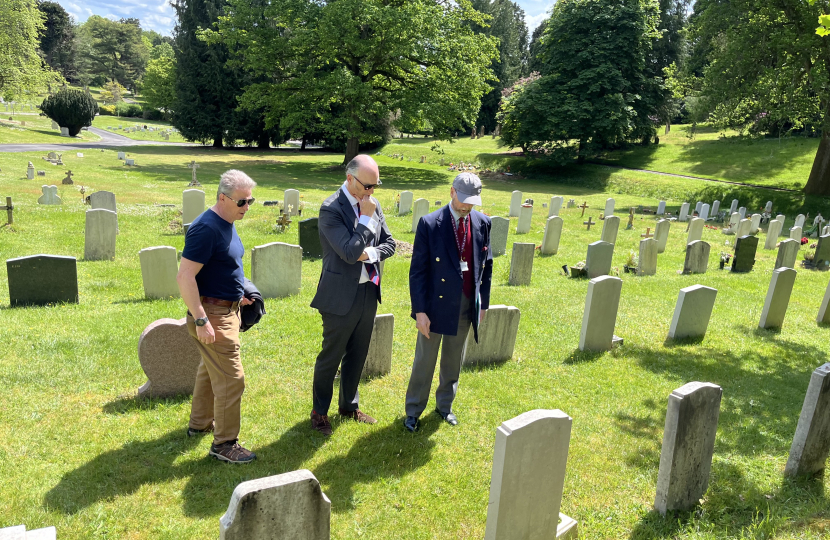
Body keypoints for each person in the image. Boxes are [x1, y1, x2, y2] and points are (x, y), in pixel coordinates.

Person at [309, 154, 396, 435]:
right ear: (350, 179)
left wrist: (369, 254)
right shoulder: (331, 209)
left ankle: (349, 405)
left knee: (358, 353)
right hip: (338, 294)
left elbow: (390, 243)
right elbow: (347, 253)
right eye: (367, 186)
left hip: (368, 290)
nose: (371, 192)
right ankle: (319, 411)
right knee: (331, 356)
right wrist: (366, 219)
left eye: (376, 186)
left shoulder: (373, 203)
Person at [176, 170, 257, 463]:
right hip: (212, 314)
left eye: (251, 201)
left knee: (210, 371)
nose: (247, 207)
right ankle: (224, 444)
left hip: (228, 308)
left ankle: (199, 423)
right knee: (231, 378)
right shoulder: (207, 228)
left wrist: (240, 296)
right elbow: (185, 276)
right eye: (241, 202)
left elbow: (224, 265)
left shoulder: (227, 220)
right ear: (222, 198)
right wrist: (201, 319)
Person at [404, 173, 493, 432]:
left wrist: (482, 303)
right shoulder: (430, 223)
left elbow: (485, 267)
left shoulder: (483, 222)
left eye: (472, 202)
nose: (466, 207)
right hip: (435, 305)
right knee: (425, 362)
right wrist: (420, 311)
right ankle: (413, 411)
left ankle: (445, 406)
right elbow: (418, 271)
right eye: (463, 200)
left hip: (466, 303)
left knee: (454, 360)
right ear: (452, 192)